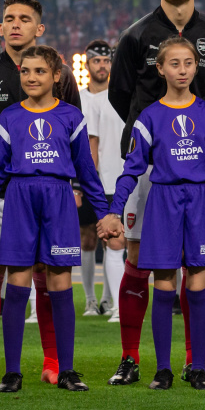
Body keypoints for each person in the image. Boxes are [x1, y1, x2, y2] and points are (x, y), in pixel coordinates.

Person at [100, 38, 205, 390]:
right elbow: (131, 169)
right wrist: (114, 210)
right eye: (174, 63)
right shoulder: (149, 117)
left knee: (198, 281)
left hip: (202, 199)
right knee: (165, 283)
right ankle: (162, 369)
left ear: (195, 67)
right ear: (160, 69)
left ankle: (198, 367)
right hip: (163, 201)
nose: (183, 69)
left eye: (189, 63)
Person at [106, 0, 205, 387]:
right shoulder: (136, 36)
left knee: (198, 264)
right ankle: (130, 358)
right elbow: (120, 96)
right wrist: (152, 128)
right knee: (140, 258)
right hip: (150, 167)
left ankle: (196, 361)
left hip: (195, 164)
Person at [0, 46, 107, 393]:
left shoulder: (71, 116)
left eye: (40, 71)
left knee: (59, 282)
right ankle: (12, 372)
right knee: (18, 283)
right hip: (19, 197)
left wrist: (105, 214)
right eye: (25, 71)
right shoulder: (9, 117)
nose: (31, 77)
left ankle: (67, 370)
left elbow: (86, 171)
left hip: (58, 197)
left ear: (56, 76)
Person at [79, 40, 125, 319]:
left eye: (106, 61)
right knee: (88, 239)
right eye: (97, 61)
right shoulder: (81, 99)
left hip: (120, 179)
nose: (102, 66)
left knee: (116, 240)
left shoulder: (119, 97)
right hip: (93, 181)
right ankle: (89, 300)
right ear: (87, 64)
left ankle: (108, 299)